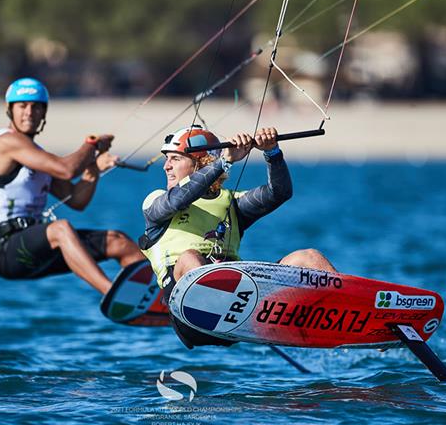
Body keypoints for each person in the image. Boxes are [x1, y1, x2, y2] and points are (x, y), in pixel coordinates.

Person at [139, 124, 337, 347]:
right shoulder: (154, 201)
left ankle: (354, 316)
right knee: (189, 257)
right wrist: (224, 162)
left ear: (201, 163)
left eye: (175, 159)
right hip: (189, 317)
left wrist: (271, 152)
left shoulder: (233, 203)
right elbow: (178, 200)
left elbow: (279, 193)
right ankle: (217, 304)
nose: (166, 166)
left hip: (241, 306)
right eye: (167, 159)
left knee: (308, 257)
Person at [0, 77, 145, 294]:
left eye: (36, 107)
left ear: (44, 112)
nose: (29, 112)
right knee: (60, 229)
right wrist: (91, 145)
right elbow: (66, 169)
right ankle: (115, 295)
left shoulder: (36, 155)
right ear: (10, 110)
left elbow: (76, 199)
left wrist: (93, 168)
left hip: (36, 247)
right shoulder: (6, 142)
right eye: (22, 106)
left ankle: (159, 302)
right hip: (3, 251)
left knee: (119, 242)